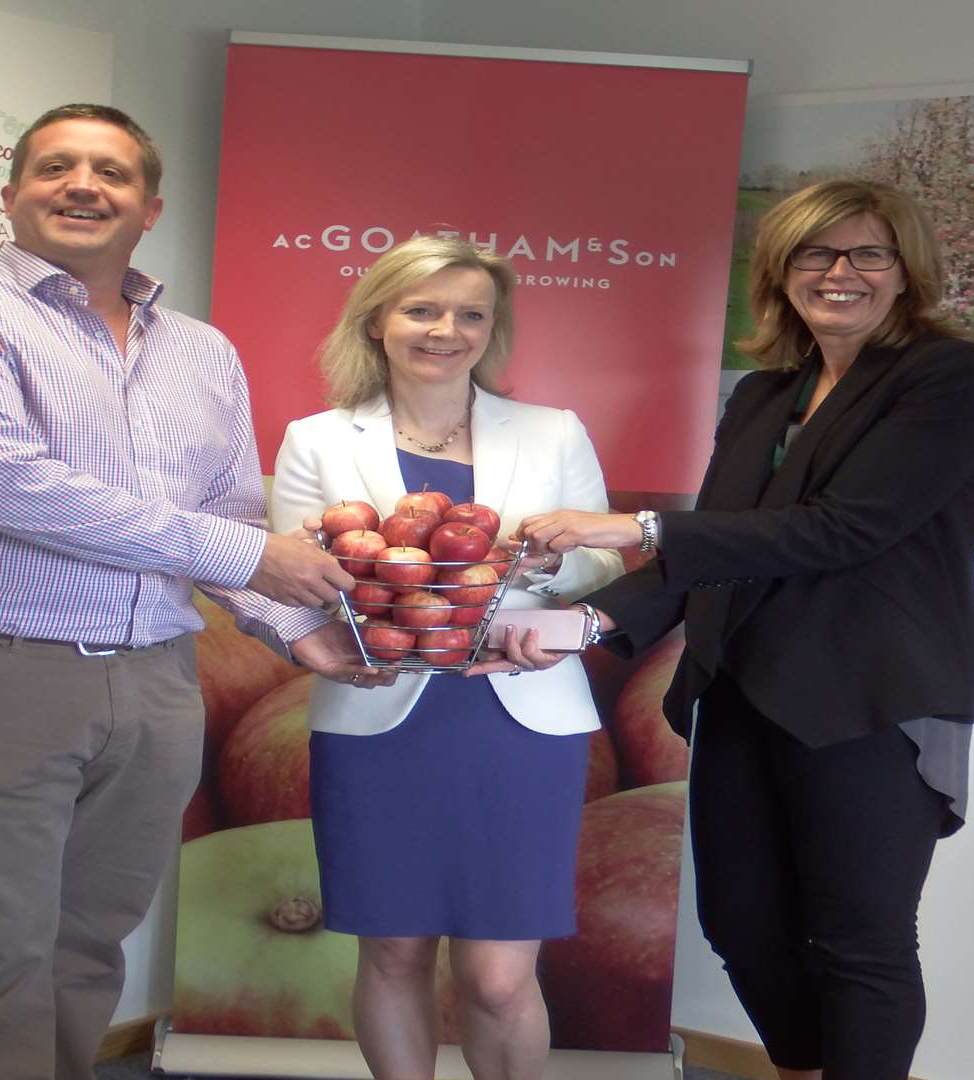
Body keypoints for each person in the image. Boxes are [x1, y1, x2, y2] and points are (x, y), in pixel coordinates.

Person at [0, 103, 382, 1080]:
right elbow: (2, 486)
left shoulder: (201, 350)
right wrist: (253, 562)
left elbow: (228, 512)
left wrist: (297, 630)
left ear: (149, 207)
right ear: (12, 193)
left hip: (157, 679)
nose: (83, 185)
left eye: (111, 173)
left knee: (89, 943)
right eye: (56, 166)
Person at [517, 179, 974, 1080]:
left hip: (873, 695)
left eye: (869, 253)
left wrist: (635, 525)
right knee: (743, 928)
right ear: (782, 273)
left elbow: (846, 527)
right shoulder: (766, 397)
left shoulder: (948, 379)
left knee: (859, 942)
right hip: (745, 687)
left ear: (907, 273)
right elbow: (716, 552)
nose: (842, 273)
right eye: (816, 254)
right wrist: (583, 622)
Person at [267, 236, 625, 1080]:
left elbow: (602, 560)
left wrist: (550, 560)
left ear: (492, 329)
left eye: (471, 313)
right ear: (378, 322)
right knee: (392, 952)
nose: (445, 330)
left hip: (520, 716)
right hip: (379, 712)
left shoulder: (553, 431)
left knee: (499, 979)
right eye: (422, 309)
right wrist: (348, 569)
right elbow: (291, 578)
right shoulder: (316, 439)